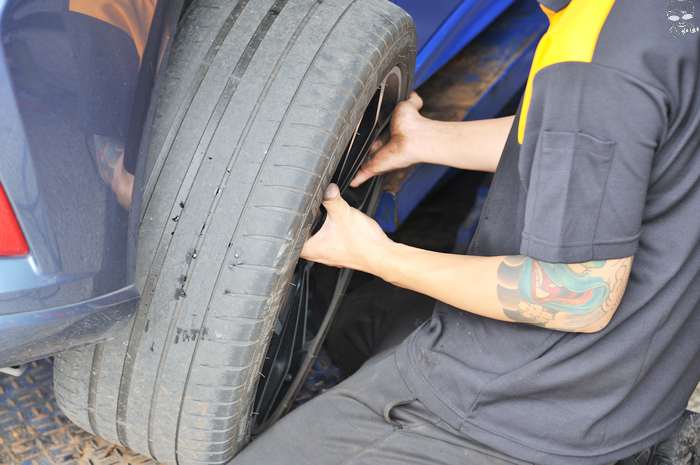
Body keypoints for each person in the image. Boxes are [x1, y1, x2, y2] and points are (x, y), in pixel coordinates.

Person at [232, 0, 700, 463]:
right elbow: (603, 141)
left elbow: (576, 293)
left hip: (532, 409)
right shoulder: (660, 19)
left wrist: (376, 255)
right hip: (641, 376)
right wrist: (429, 139)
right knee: (358, 323)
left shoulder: (592, 65)